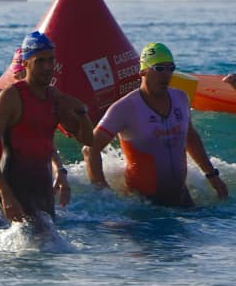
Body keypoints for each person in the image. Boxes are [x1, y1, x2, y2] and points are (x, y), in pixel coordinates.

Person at [84, 43, 228, 207]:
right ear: (143, 71)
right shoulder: (125, 108)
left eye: (170, 68)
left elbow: (190, 136)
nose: (166, 74)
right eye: (159, 68)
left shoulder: (180, 98)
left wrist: (212, 175)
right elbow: (90, 149)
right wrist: (104, 196)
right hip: (144, 206)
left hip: (182, 198)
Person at [0, 32, 93, 224]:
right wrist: (5, 193)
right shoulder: (11, 97)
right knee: (22, 251)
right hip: (15, 187)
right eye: (40, 61)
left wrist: (82, 113)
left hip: (43, 189)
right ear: (25, 63)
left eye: (51, 60)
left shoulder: (54, 96)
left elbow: (88, 140)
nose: (48, 67)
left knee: (47, 251)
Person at [0, 49, 70, 226]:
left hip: (32, 181)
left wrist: (60, 170)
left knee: (43, 237)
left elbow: (42, 141)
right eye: (20, 75)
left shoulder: (41, 98)